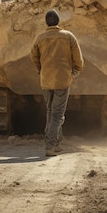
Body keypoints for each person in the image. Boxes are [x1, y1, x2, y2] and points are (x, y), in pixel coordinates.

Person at [30, 9, 84, 156]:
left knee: (50, 111)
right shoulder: (68, 36)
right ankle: (50, 145)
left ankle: (57, 142)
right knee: (58, 114)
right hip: (62, 79)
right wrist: (75, 72)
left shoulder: (40, 38)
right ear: (58, 21)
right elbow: (78, 59)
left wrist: (40, 70)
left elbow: (33, 57)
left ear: (46, 22)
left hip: (46, 80)